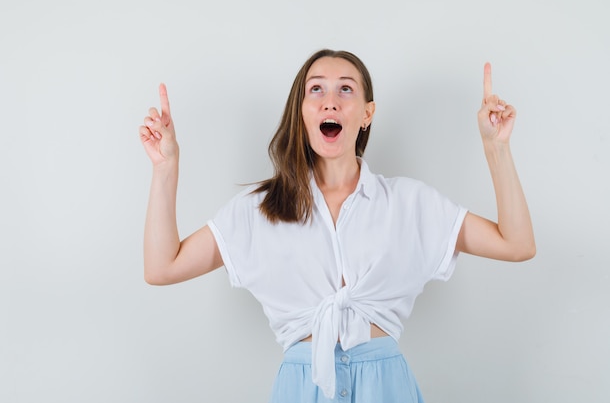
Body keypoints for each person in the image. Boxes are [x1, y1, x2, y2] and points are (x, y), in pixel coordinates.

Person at [138, 49, 535, 403]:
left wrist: (495, 147)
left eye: (346, 89)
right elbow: (162, 267)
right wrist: (165, 167)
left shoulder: (410, 204)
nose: (330, 100)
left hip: (387, 388)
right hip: (301, 387)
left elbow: (516, 244)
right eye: (316, 90)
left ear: (367, 114)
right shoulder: (258, 210)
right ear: (302, 112)